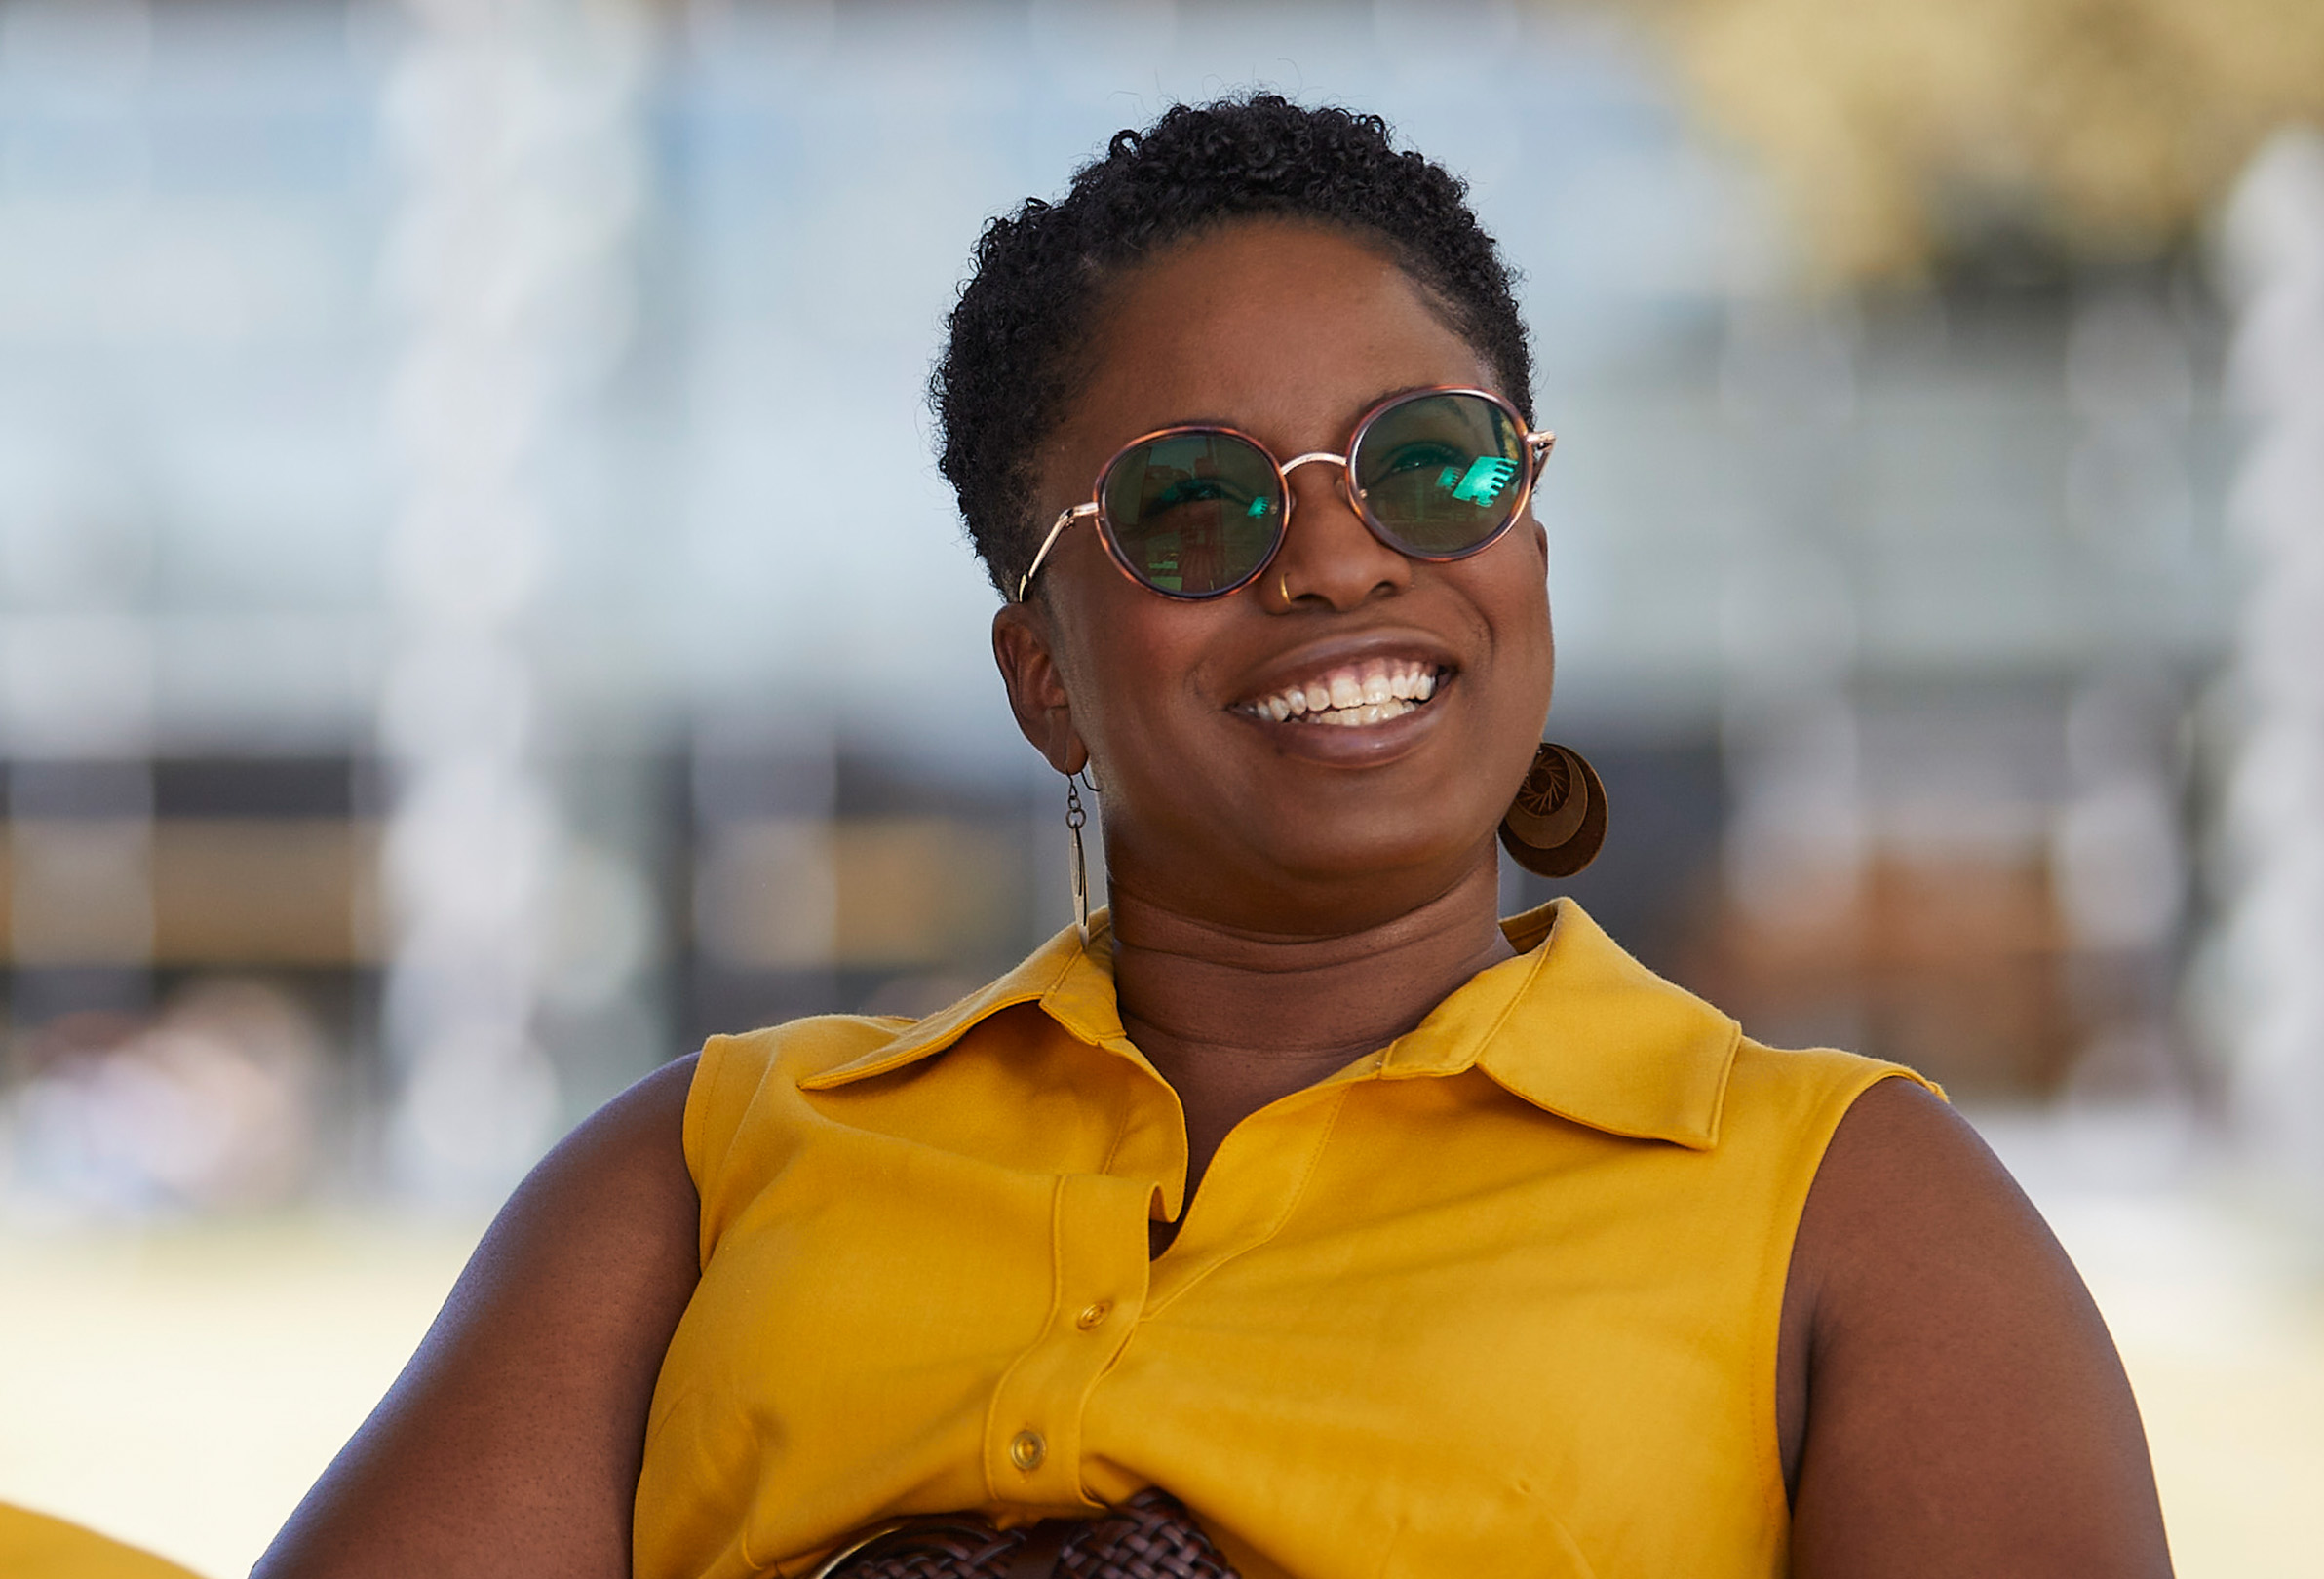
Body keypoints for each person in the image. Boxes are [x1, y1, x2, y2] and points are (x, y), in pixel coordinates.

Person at [255, 97, 2172, 1579]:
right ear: (1044, 676)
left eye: (1433, 462)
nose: (1340, 554)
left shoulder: (1849, 1206)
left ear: (1529, 543)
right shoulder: (701, 1173)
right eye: (1192, 506)